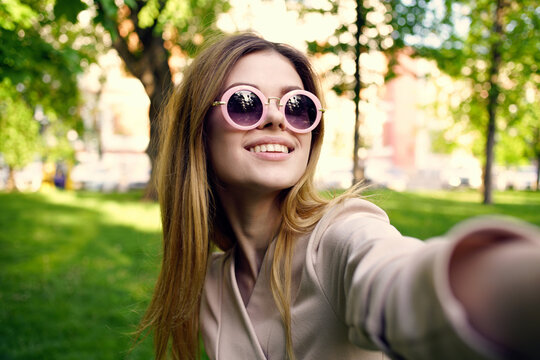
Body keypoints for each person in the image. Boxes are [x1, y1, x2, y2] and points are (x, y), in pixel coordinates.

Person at [138, 33, 540, 360]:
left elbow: (399, 285)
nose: (278, 118)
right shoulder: (211, 285)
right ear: (200, 130)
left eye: (298, 106)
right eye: (246, 103)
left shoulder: (339, 234)